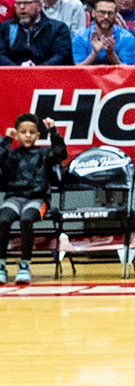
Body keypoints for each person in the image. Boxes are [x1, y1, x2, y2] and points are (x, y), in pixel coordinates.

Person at [0, 113, 66, 284]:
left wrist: (53, 131)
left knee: (26, 220)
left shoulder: (44, 153)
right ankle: (1, 266)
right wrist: (6, 141)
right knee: (3, 220)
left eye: (32, 132)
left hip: (38, 200)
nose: (28, 135)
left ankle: (24, 265)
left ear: (38, 135)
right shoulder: (12, 155)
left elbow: (61, 154)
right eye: (23, 132)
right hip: (14, 198)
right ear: (17, 134)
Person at [0, 0, 72, 65]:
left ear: (39, 6)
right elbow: (1, 55)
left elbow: (61, 56)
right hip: (12, 75)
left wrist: (37, 71)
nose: (22, 7)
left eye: (27, 3)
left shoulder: (58, 28)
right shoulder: (5, 28)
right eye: (18, 3)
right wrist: (18, 71)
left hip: (48, 75)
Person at [72, 0, 135, 66]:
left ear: (116, 15)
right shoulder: (80, 37)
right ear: (94, 13)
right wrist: (94, 54)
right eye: (102, 12)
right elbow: (78, 70)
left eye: (110, 13)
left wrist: (112, 55)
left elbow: (129, 72)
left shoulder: (127, 38)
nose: (106, 17)